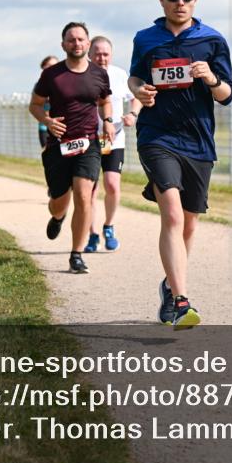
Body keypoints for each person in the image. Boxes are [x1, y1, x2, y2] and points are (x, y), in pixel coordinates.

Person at [128, 0, 232, 328]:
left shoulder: (213, 40)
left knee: (189, 224)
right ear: (162, 0)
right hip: (156, 136)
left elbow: (226, 96)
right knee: (171, 214)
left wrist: (211, 78)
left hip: (198, 141)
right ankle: (182, 302)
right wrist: (138, 91)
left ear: (195, 0)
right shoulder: (145, 39)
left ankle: (171, 287)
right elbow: (135, 76)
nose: (180, 2)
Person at [29, 22, 115, 274]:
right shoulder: (51, 75)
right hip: (58, 146)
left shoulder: (99, 74)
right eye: (71, 40)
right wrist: (46, 121)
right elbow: (34, 104)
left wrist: (107, 121)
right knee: (59, 200)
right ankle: (57, 217)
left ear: (87, 44)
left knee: (83, 194)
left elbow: (105, 100)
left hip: (88, 143)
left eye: (80, 39)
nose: (76, 43)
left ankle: (76, 254)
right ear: (63, 44)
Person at [84, 35, 141, 253]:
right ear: (89, 54)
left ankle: (109, 225)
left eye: (105, 53)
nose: (101, 57)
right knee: (88, 190)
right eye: (97, 53)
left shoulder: (119, 75)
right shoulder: (82, 75)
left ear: (112, 54)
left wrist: (133, 114)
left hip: (113, 139)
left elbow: (135, 96)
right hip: (88, 140)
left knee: (112, 185)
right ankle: (91, 234)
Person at [37, 55, 59, 149]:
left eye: (55, 65)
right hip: (45, 127)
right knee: (47, 153)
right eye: (49, 66)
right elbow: (36, 105)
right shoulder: (39, 85)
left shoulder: (66, 83)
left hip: (61, 126)